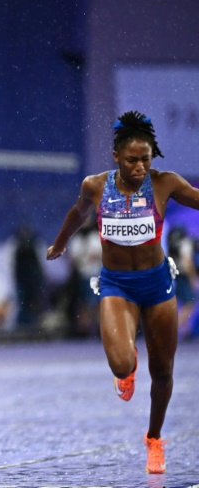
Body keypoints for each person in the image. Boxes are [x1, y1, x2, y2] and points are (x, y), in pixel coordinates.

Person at [46, 110, 198, 474]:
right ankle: (125, 367)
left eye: (146, 159)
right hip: (116, 284)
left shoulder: (165, 183)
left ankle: (154, 439)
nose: (140, 168)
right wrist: (60, 243)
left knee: (162, 371)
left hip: (158, 283)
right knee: (122, 363)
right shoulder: (95, 186)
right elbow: (77, 212)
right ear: (116, 156)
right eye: (132, 160)